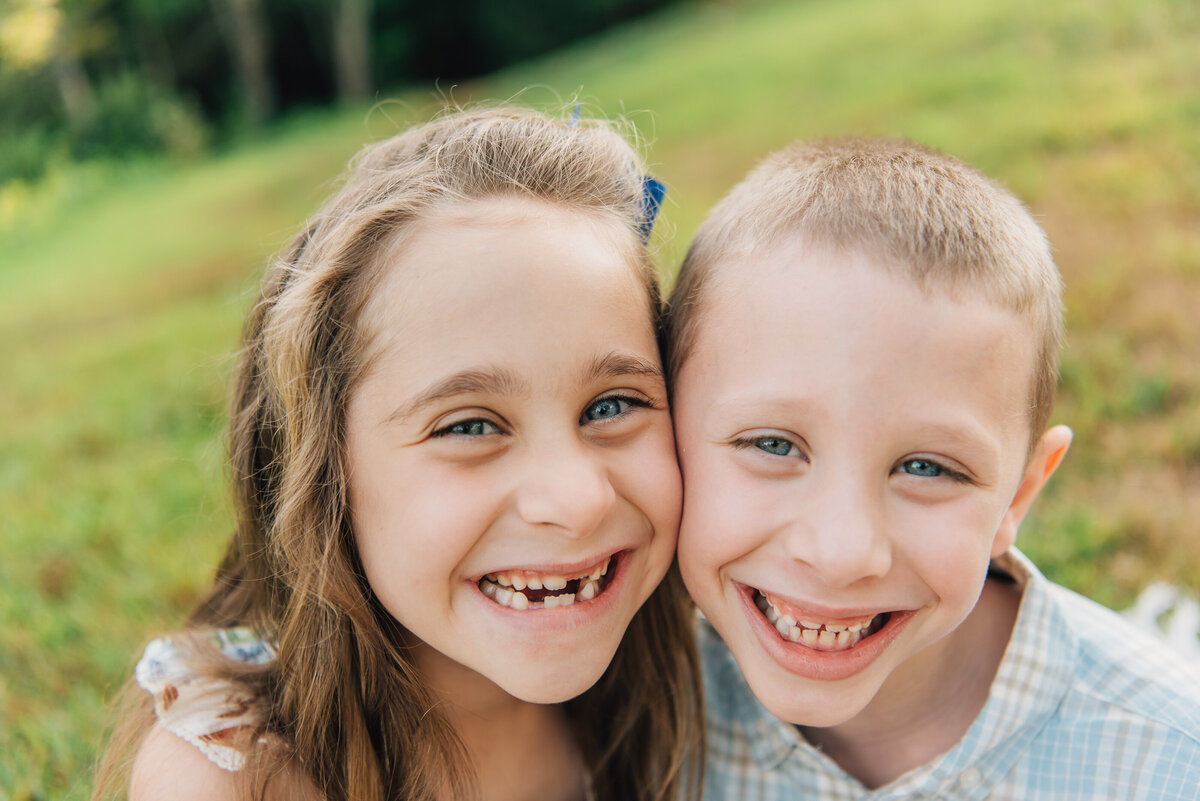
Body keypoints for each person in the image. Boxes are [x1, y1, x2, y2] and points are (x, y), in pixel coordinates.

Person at [92, 105, 702, 801]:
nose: (577, 500)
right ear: (326, 475)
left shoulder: (707, 674)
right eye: (471, 426)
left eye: (611, 405)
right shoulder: (238, 779)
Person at [666, 138, 1200, 799]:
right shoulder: (634, 712)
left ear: (1019, 496)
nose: (841, 553)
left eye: (927, 466)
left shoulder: (1171, 763)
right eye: (773, 446)